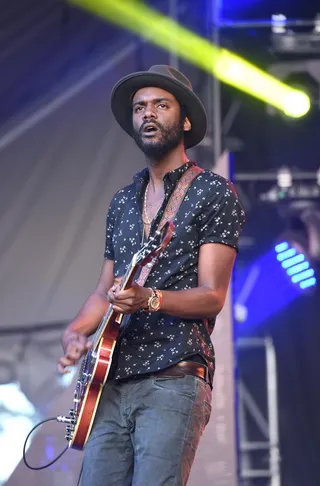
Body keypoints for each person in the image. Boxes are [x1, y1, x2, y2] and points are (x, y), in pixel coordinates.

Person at [58, 65, 245, 486]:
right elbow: (104, 291)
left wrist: (150, 298)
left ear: (185, 120)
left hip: (172, 376)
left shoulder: (214, 192)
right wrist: (75, 333)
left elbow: (213, 296)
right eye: (140, 107)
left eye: (162, 105)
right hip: (110, 383)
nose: (148, 113)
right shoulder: (123, 201)